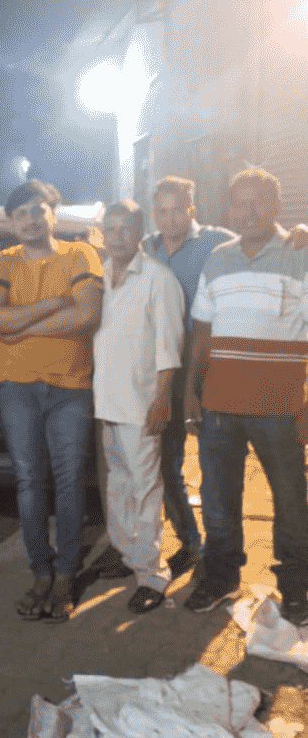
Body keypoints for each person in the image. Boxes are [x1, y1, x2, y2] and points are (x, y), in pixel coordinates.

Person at [184, 168, 308, 623]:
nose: (247, 211)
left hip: (281, 407)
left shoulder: (301, 254)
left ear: (277, 205)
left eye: (257, 201)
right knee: (218, 502)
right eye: (239, 202)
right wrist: (192, 390)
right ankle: (221, 578)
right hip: (220, 405)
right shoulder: (218, 259)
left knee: (291, 503)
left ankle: (296, 586)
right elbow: (203, 329)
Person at [0, 179, 103, 622]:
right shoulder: (2, 261)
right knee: (29, 481)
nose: (31, 220)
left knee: (69, 481)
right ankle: (41, 571)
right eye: (21, 214)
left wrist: (21, 327)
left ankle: (66, 572)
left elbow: (87, 315)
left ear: (53, 212)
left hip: (71, 385)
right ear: (12, 224)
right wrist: (55, 302)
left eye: (38, 209)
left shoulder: (81, 254)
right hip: (18, 387)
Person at [93, 200, 185, 613]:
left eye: (125, 229)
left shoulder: (158, 278)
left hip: (141, 401)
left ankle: (152, 575)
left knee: (146, 490)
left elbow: (169, 346)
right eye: (110, 230)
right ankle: (127, 553)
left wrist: (162, 399)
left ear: (139, 232)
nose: (117, 237)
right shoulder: (98, 276)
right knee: (119, 484)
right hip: (107, 401)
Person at [143, 177, 234, 578]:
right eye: (162, 211)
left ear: (191, 210)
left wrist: (298, 233)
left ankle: (221, 553)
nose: (170, 219)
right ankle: (190, 542)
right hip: (164, 370)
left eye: (178, 210)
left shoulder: (217, 242)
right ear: (154, 214)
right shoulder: (147, 249)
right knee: (167, 463)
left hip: (209, 367)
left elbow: (265, 242)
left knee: (215, 465)